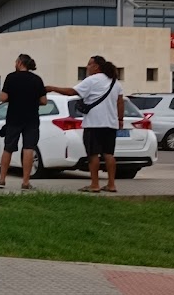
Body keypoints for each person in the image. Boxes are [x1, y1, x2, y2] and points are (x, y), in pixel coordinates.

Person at [47, 55, 124, 193]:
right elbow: (120, 102)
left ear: (96, 66)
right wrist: (120, 120)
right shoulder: (115, 82)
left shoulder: (91, 80)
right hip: (110, 125)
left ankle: (95, 185)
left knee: (93, 155)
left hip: (94, 124)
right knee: (109, 154)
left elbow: (71, 92)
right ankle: (111, 184)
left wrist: (51, 88)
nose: (87, 67)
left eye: (89, 64)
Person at [0, 54, 48, 190]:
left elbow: (3, 97)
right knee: (29, 148)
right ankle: (25, 182)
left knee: (8, 148)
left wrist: (14, 97)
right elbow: (44, 101)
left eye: (15, 62)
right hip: (31, 119)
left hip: (14, 118)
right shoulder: (37, 79)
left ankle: (2, 180)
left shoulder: (11, 77)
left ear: (19, 63)